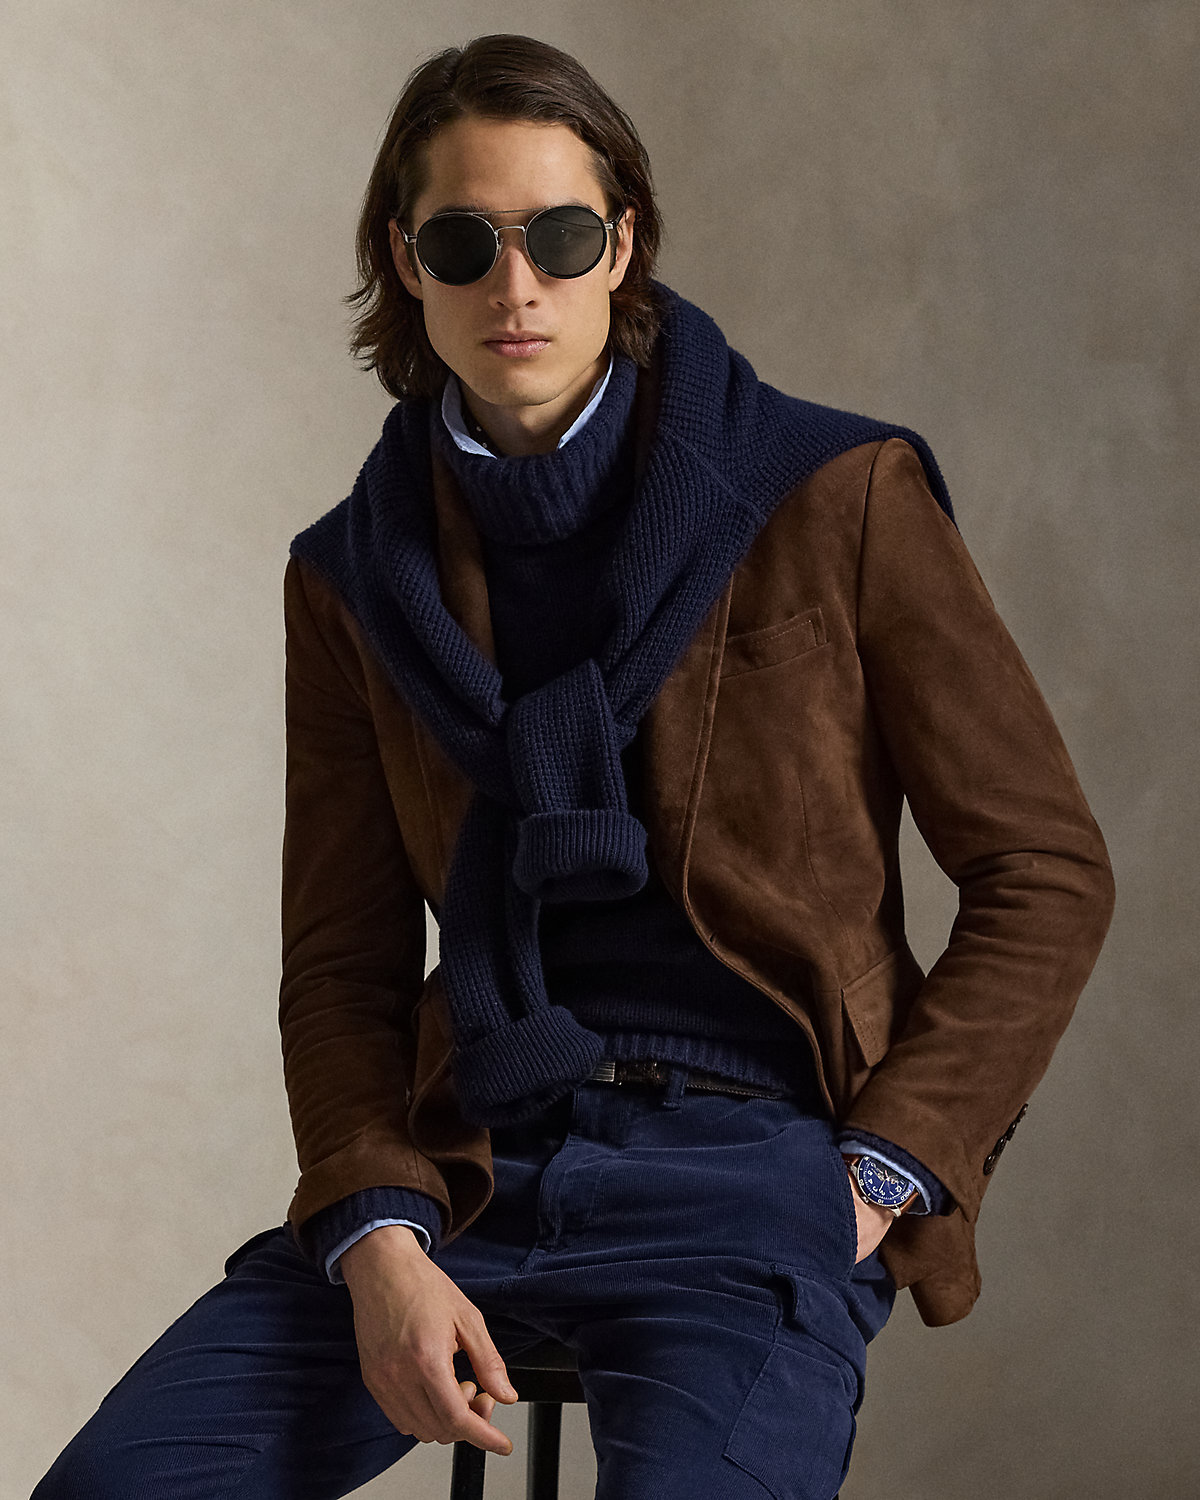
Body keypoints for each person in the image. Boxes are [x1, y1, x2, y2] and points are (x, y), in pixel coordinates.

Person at [33, 32, 1115, 1500]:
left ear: (624, 245)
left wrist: (877, 1177)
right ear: (405, 262)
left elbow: (1044, 869)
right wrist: (377, 1235)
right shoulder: (352, 580)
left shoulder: (832, 496)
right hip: (470, 1164)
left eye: (556, 235)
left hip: (756, 1173)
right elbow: (343, 965)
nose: (515, 285)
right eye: (464, 242)